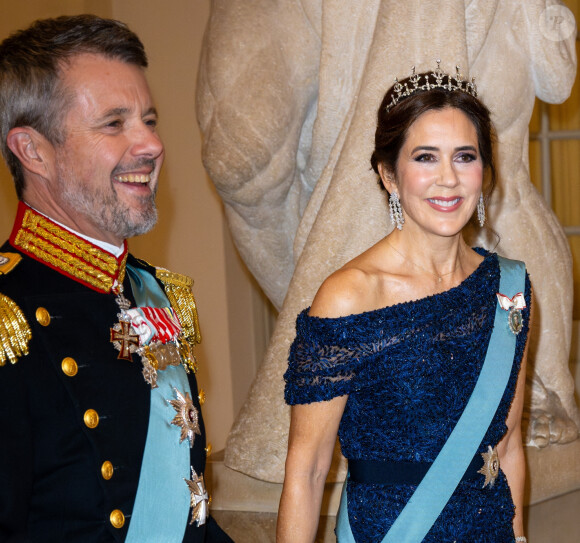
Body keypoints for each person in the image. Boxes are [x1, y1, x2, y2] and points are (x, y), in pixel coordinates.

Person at [0, 15, 232, 543]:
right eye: (115, 124)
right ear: (33, 150)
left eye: (149, 120)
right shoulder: (7, 317)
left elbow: (189, 518)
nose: (150, 144)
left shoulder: (154, 292)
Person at [278, 65, 531, 542]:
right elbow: (308, 470)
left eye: (464, 156)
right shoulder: (348, 296)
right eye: (425, 158)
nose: (448, 179)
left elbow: (509, 444)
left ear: (485, 170)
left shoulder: (509, 287)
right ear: (389, 174)